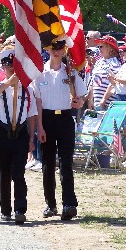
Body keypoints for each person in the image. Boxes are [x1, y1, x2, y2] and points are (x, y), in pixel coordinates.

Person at [32, 36, 87, 221]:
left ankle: (69, 203)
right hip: (46, 119)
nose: (57, 50)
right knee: (47, 164)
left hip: (64, 118)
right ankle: (51, 204)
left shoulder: (70, 73)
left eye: (60, 46)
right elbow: (38, 102)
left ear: (65, 49)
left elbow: (82, 94)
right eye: (53, 46)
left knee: (66, 163)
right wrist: (39, 126)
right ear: (47, 48)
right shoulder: (40, 73)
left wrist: (80, 101)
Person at [0, 48, 37, 224]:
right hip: (3, 131)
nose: (12, 71)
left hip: (21, 132)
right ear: (3, 68)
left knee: (18, 173)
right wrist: (7, 83)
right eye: (8, 67)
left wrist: (31, 138)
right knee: (4, 172)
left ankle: (20, 209)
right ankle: (5, 209)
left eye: (15, 68)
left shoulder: (28, 88)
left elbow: (31, 114)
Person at [89, 35, 121, 110]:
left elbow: (113, 83)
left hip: (108, 103)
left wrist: (104, 99)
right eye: (98, 47)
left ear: (110, 48)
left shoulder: (115, 63)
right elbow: (93, 82)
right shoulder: (98, 62)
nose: (99, 49)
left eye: (101, 47)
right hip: (96, 102)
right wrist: (90, 99)